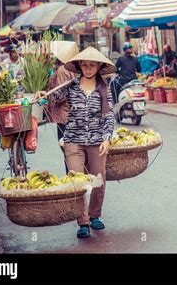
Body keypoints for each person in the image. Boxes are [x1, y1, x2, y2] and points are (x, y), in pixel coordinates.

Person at [35, 46, 116, 239]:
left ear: (98, 66)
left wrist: (107, 138)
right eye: (85, 65)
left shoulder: (104, 89)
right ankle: (83, 222)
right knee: (77, 182)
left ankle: (95, 215)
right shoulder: (70, 86)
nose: (88, 68)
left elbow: (108, 116)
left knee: (99, 180)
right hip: (73, 140)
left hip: (97, 141)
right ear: (79, 66)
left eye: (92, 65)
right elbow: (53, 97)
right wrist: (42, 95)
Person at [46, 41, 79, 174]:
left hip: (64, 115)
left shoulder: (62, 70)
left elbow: (61, 95)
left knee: (66, 149)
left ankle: (71, 176)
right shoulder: (76, 68)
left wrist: (49, 96)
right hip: (76, 113)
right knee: (74, 149)